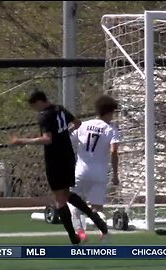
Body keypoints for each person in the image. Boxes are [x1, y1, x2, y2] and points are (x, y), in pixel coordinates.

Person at [9, 90, 108, 244]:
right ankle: (96, 219)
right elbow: (78, 123)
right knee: (66, 194)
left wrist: (22, 141)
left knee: (60, 199)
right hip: (68, 156)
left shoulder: (44, 115)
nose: (35, 110)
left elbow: (47, 139)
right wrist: (63, 135)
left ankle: (73, 237)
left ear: (38, 102)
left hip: (54, 159)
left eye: (34, 107)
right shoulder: (59, 109)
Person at [69, 95, 120, 242]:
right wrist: (115, 174)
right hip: (100, 174)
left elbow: (67, 139)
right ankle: (105, 235)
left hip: (80, 172)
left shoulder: (82, 125)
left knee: (73, 203)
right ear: (109, 112)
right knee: (97, 208)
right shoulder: (111, 130)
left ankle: (81, 233)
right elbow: (114, 151)